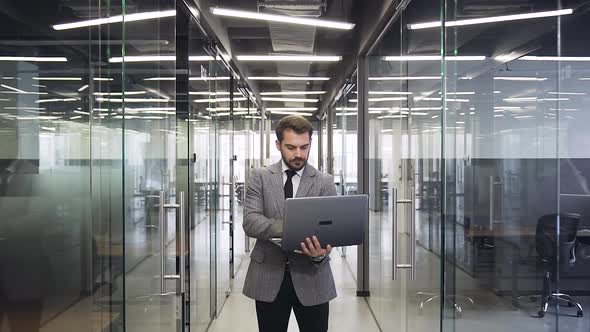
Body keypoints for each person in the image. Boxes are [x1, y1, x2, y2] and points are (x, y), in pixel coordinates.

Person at [242, 115, 337, 332]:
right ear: (278, 145)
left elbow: (331, 229)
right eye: (291, 147)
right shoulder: (260, 177)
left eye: (304, 147)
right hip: (269, 275)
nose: (298, 154)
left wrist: (320, 253)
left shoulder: (324, 182)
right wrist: (294, 227)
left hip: (312, 275)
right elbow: (250, 222)